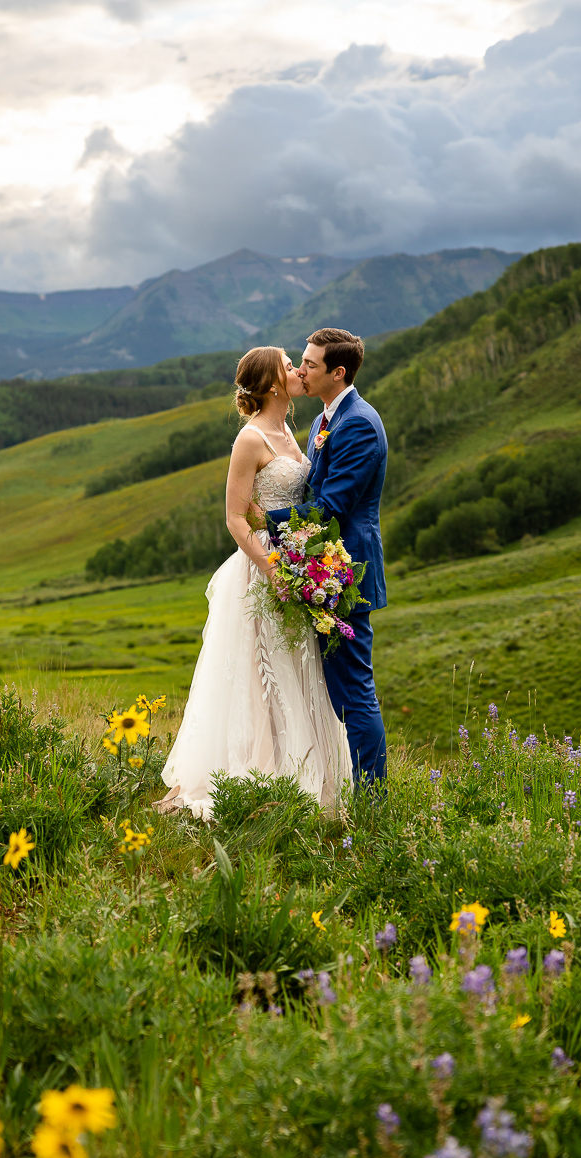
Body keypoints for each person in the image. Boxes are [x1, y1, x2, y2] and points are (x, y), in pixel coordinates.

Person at [155, 345, 352, 820]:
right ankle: (258, 775)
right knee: (261, 676)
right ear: (270, 386)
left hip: (293, 560)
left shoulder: (289, 431)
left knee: (299, 669)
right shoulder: (250, 439)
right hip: (263, 568)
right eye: (289, 365)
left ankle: (302, 775)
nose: (298, 370)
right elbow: (235, 517)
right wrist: (273, 569)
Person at [264, 328, 388, 784]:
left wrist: (264, 518)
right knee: (337, 692)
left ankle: (374, 802)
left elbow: (330, 507)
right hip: (321, 570)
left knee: (355, 693)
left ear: (338, 372)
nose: (300, 370)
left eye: (310, 365)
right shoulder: (324, 419)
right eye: (301, 361)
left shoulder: (357, 422)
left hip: (346, 574)